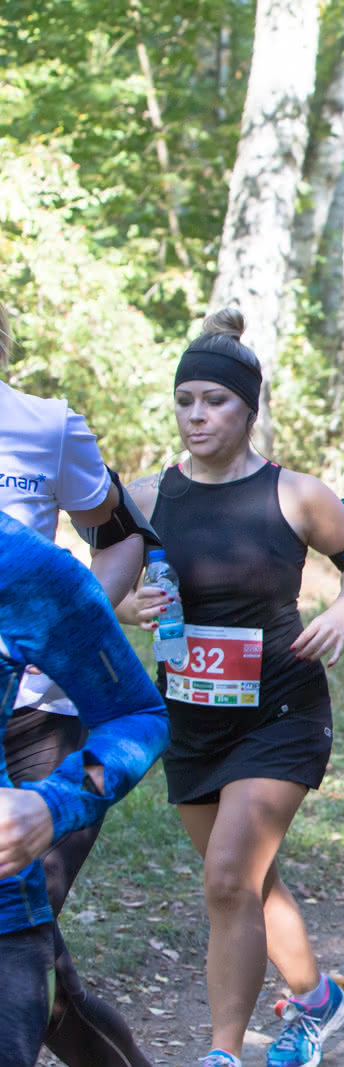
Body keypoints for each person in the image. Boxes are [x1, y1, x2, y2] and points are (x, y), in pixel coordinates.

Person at [122, 309, 344, 1067]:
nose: (197, 416)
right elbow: (101, 590)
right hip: (191, 716)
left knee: (228, 875)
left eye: (216, 401)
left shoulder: (295, 494)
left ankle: (222, 1052)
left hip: (280, 711)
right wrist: (130, 606)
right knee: (249, 881)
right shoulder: (146, 498)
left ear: (249, 408)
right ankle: (317, 999)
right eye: (186, 401)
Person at [1, 308, 163, 1067]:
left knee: (34, 962)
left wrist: (71, 631)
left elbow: (121, 531)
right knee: (52, 989)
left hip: (45, 717)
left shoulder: (24, 565)